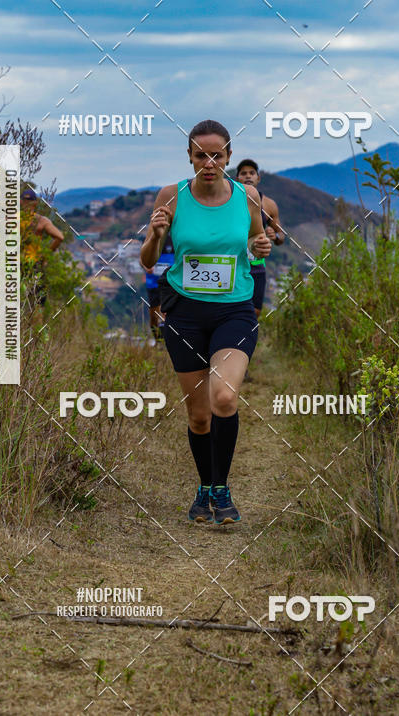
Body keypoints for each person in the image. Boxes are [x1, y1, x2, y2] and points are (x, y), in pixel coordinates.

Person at [140, 120, 271, 525]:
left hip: (234, 310)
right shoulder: (172, 196)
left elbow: (255, 248)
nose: (209, 163)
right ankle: (205, 488)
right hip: (185, 313)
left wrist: (260, 246)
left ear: (229, 157)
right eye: (201, 155)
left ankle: (222, 487)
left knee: (225, 399)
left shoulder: (247, 197)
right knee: (198, 415)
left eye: (217, 155)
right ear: (190, 157)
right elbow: (147, 261)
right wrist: (156, 235)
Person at [235, 158, 284, 318]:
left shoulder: (269, 205)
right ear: (237, 178)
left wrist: (274, 235)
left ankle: (246, 341)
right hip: (233, 265)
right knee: (231, 308)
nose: (248, 176)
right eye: (243, 173)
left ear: (258, 178)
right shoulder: (229, 200)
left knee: (254, 311)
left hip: (256, 265)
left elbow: (281, 236)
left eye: (251, 173)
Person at [20, 188, 64, 305]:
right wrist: (45, 256)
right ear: (36, 203)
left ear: (20, 201)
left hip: (15, 264)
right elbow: (59, 237)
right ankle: (36, 323)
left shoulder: (11, 219)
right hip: (34, 264)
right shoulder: (41, 221)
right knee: (38, 303)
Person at [143, 235, 175, 341]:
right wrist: (146, 266)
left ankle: (170, 339)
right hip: (153, 282)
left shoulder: (176, 234)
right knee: (154, 315)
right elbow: (142, 258)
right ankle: (157, 340)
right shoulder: (151, 235)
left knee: (169, 312)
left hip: (171, 282)